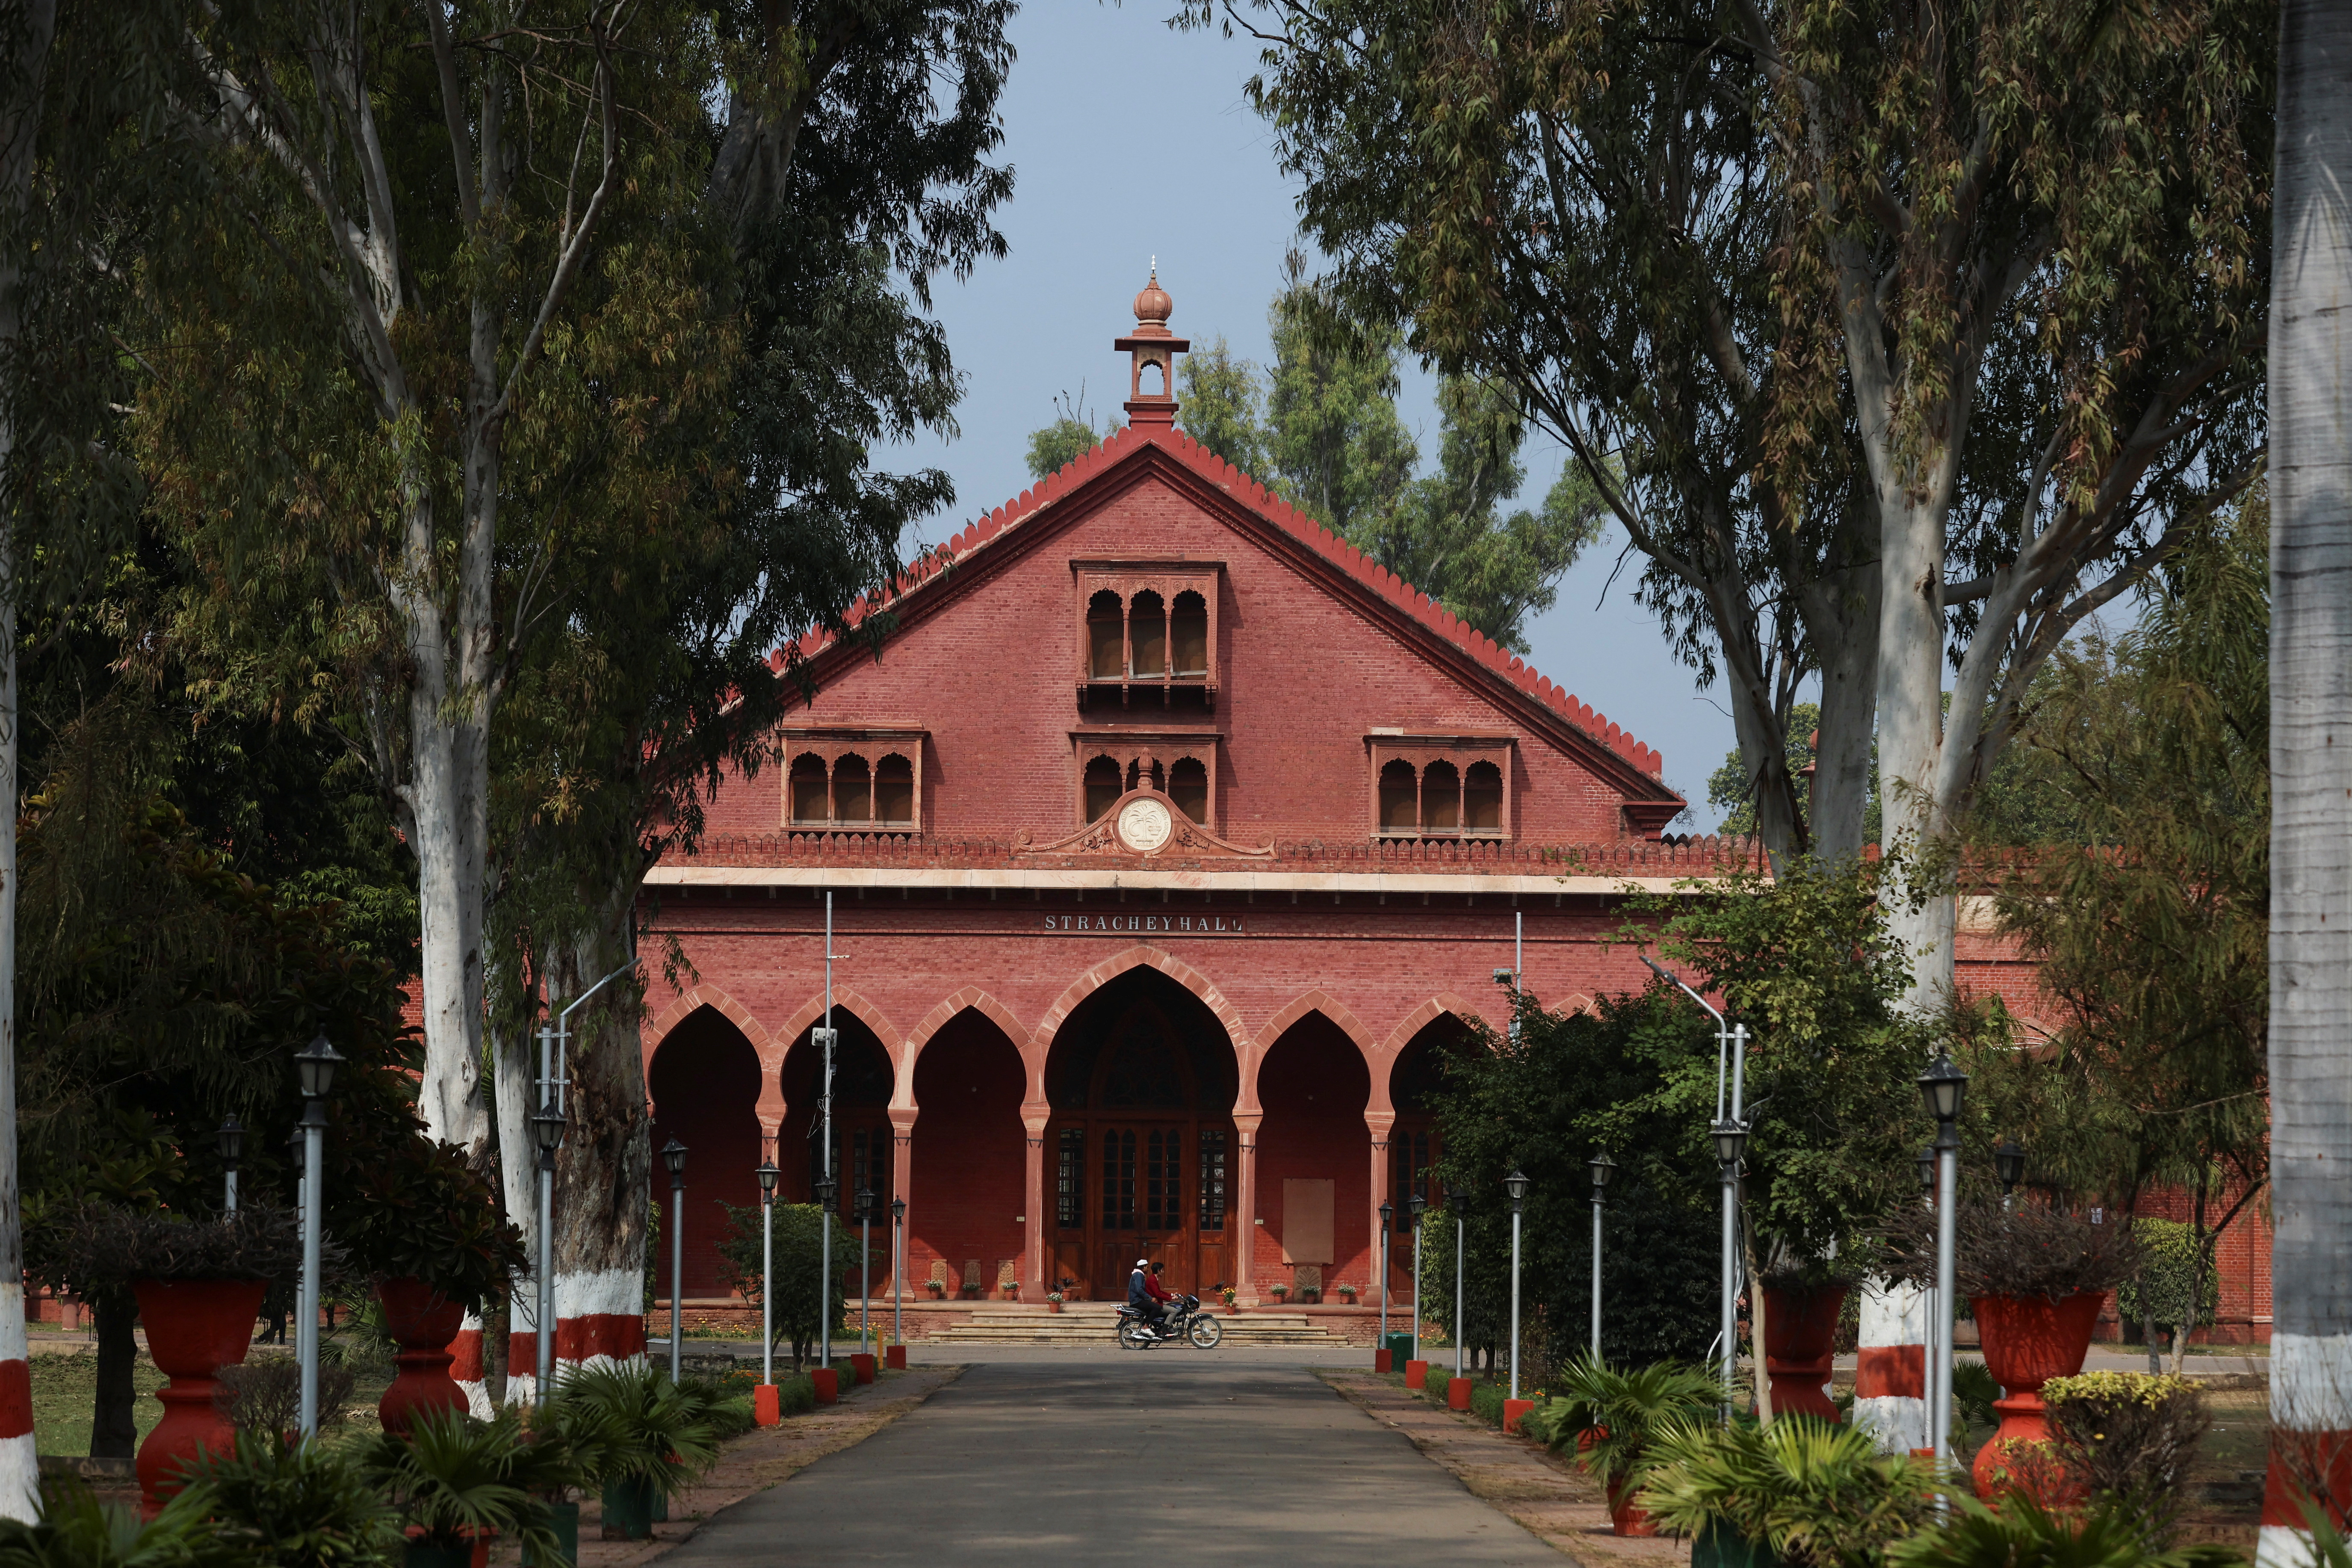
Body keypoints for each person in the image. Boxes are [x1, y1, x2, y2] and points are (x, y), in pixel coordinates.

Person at [1128, 1257, 1170, 1338]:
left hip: (1138, 1300)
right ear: (1143, 1267)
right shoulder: (1138, 1275)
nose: (1148, 1269)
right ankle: (1146, 1327)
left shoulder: (1139, 1275)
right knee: (1157, 1307)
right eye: (1147, 1267)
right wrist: (1150, 1299)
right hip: (1137, 1301)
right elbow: (1139, 1289)